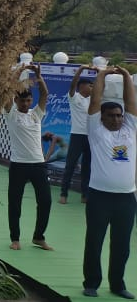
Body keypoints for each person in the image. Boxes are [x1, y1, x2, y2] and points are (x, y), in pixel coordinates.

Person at [82, 65, 137, 299]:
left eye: (119, 115)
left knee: (122, 245)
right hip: (99, 196)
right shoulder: (96, 131)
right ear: (101, 117)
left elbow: (131, 103)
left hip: (126, 198)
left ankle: (117, 284)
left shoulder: (130, 129)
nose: (116, 119)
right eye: (111, 116)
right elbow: (95, 102)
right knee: (95, 241)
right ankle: (91, 283)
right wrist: (102, 75)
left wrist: (126, 76)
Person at [3, 63, 53, 252]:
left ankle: (39, 237)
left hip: (39, 165)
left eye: (28, 101)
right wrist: (16, 73)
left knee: (46, 201)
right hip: (19, 165)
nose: (26, 104)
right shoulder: (11, 114)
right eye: (22, 101)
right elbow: (7, 92)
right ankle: (15, 238)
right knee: (15, 202)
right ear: (16, 100)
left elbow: (45, 95)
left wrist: (39, 77)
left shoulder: (36, 115)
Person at [62, 67, 93, 205]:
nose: (92, 87)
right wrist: (80, 70)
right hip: (77, 136)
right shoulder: (74, 97)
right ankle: (64, 194)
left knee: (87, 167)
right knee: (70, 165)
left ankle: (85, 195)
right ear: (82, 86)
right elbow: (72, 84)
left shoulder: (94, 99)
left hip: (91, 137)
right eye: (89, 85)